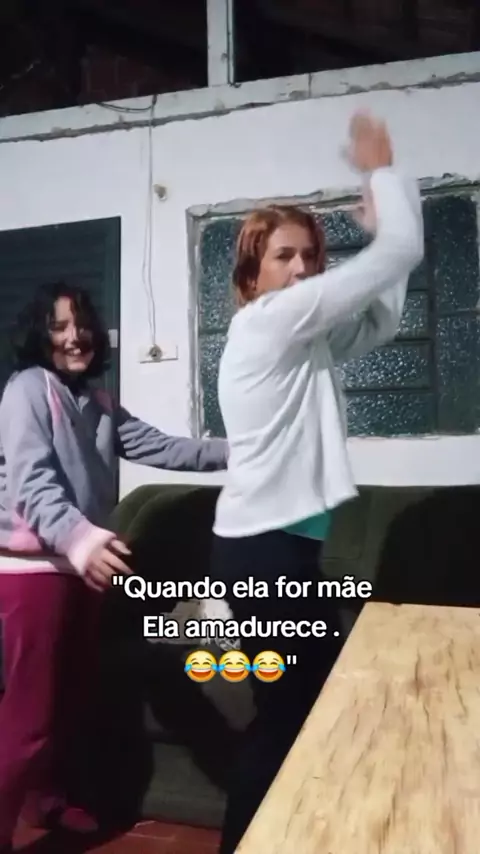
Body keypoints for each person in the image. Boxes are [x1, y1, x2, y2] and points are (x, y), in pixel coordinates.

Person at [206, 112, 424, 853]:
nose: (302, 270)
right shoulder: (268, 324)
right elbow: (400, 249)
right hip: (261, 555)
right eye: (284, 256)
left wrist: (385, 233)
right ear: (253, 277)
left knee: (308, 709)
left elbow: (383, 322)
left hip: (287, 551)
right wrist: (383, 173)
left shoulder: (304, 342)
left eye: (310, 256)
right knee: (287, 720)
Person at [0, 282, 228, 853]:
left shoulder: (99, 403)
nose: (74, 336)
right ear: (39, 335)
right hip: (32, 572)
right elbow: (31, 483)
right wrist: (80, 539)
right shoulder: (26, 390)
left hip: (82, 568)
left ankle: (46, 801)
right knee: (29, 719)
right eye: (58, 326)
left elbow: (164, 447)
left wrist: (245, 451)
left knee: (71, 701)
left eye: (81, 324)